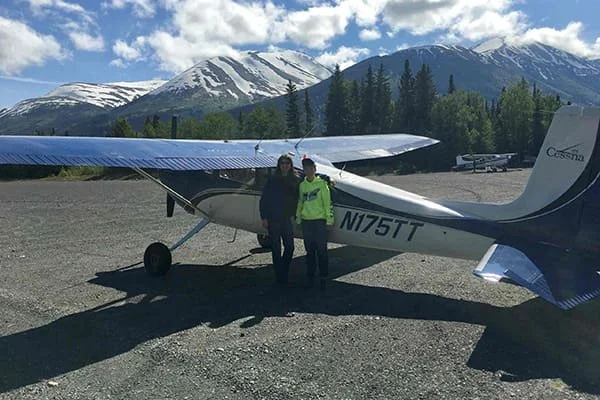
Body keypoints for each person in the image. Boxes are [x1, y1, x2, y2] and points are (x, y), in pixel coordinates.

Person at [259, 154, 300, 287]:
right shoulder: (272, 180)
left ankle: (283, 271)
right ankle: (280, 276)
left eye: (287, 163)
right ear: (279, 165)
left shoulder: (295, 179)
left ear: (290, 165)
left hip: (286, 218)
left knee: (290, 247)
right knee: (276, 248)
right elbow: (263, 199)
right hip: (273, 218)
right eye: (282, 163)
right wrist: (264, 217)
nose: (285, 165)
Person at [296, 156, 334, 290]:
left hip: (319, 222)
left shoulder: (322, 184)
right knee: (309, 251)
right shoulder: (302, 185)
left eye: (310, 168)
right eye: (305, 168)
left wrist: (329, 221)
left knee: (322, 251)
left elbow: (327, 203)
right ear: (304, 170)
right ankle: (310, 275)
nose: (308, 170)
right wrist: (298, 218)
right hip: (307, 222)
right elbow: (301, 202)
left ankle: (324, 276)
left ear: (314, 169)